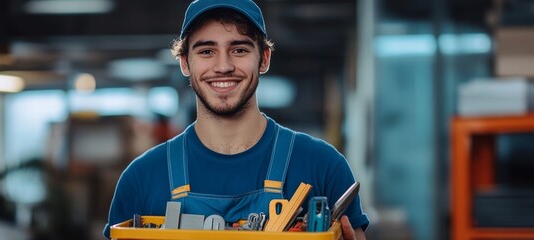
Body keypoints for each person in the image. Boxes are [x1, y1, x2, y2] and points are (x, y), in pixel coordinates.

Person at [103, 0, 370, 239]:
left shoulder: (323, 166)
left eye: (239, 50)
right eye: (206, 51)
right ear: (185, 62)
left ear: (263, 59)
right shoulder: (141, 179)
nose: (223, 66)